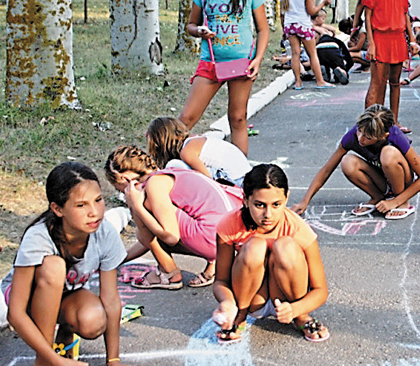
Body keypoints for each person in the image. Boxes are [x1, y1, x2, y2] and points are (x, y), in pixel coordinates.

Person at [3, 162, 146, 366]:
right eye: (81, 205)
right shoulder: (38, 237)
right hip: (27, 302)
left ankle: (65, 337)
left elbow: (110, 299)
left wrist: (113, 361)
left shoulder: (104, 232)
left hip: (66, 297)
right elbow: (15, 314)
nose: (95, 212)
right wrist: (56, 362)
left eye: (98, 200)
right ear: (58, 209)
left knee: (93, 319)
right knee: (54, 266)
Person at [212, 164, 330, 343]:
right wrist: (228, 302)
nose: (268, 214)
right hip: (250, 299)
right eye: (259, 205)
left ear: (286, 198)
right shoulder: (229, 224)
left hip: (286, 301)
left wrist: (297, 309)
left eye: (276, 205)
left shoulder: (298, 228)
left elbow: (321, 290)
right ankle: (240, 314)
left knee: (285, 246)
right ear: (245, 199)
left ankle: (301, 318)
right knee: (254, 246)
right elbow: (220, 280)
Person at [105, 146, 244, 290]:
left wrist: (136, 207)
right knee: (156, 219)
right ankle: (214, 263)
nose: (122, 193)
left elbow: (170, 236)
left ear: (125, 179)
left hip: (214, 239)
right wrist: (118, 260)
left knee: (144, 213)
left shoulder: (154, 185)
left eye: (118, 188)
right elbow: (148, 240)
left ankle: (169, 273)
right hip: (231, 237)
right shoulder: (170, 172)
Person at [179, 0, 270, 156]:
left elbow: (263, 29)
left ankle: (240, 175)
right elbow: (190, 25)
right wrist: (199, 30)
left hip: (241, 64)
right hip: (210, 63)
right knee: (185, 119)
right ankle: (163, 165)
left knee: (238, 117)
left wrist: (257, 59)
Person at [293, 104, 420, 220]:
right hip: (381, 179)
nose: (360, 138)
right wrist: (305, 201)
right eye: (359, 131)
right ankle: (377, 197)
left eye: (367, 137)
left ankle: (402, 203)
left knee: (388, 154)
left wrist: (396, 201)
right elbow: (326, 170)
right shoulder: (353, 136)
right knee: (347, 161)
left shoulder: (395, 136)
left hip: (401, 179)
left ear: (383, 136)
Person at [358, 0, 419, 133]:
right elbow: (367, 18)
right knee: (377, 84)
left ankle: (393, 122)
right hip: (380, 38)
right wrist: (372, 44)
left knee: (395, 82)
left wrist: (412, 40)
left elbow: (405, 14)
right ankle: (368, 125)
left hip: (398, 39)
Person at [146, 116, 251, 187]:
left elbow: (208, 180)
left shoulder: (187, 152)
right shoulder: (195, 141)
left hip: (236, 181)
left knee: (174, 166)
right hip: (245, 176)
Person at [281, 0, 333, 90]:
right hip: (303, 25)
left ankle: (298, 82)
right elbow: (311, 11)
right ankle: (320, 81)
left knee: (295, 54)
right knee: (312, 53)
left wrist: (284, 29)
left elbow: (282, 14)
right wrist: (323, 3)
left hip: (290, 26)